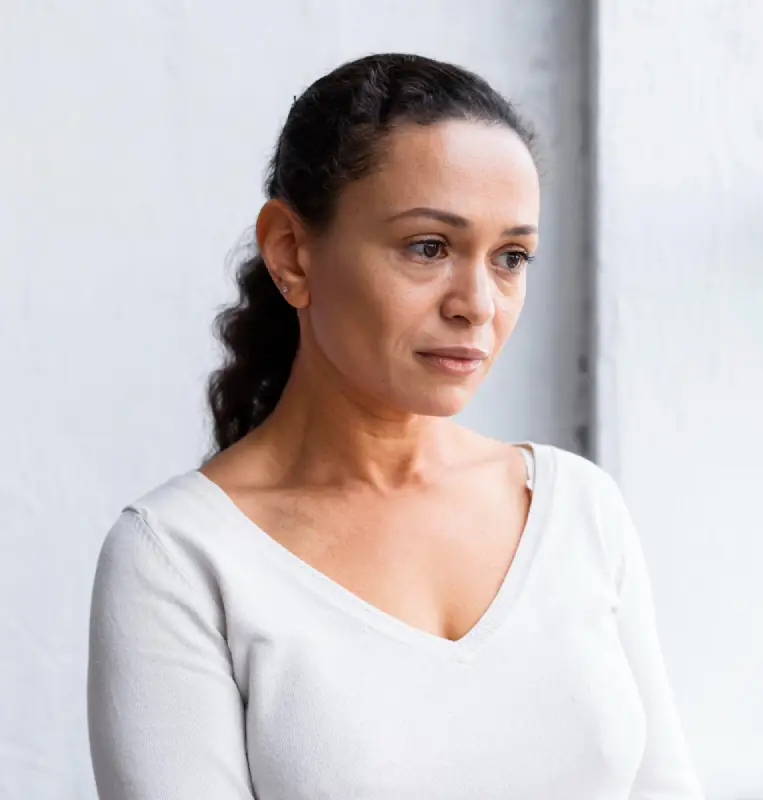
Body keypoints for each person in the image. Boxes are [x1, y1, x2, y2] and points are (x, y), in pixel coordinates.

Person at [87, 53, 703, 800]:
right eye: (429, 247)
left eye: (511, 256)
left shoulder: (578, 509)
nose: (477, 303)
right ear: (291, 252)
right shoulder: (178, 559)